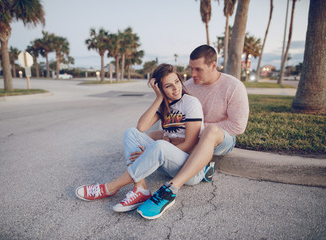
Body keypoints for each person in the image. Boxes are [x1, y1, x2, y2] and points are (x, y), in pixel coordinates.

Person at [75, 64, 206, 215]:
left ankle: (110, 187)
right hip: (169, 162)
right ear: (160, 88)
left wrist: (150, 152)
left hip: (191, 168)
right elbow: (141, 127)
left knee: (160, 146)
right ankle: (140, 189)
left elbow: (190, 144)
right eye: (168, 86)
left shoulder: (191, 103)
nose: (176, 88)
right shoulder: (164, 106)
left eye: (177, 82)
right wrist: (158, 98)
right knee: (131, 133)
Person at [136, 45, 249, 219]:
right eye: (191, 68)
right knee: (152, 136)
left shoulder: (233, 86)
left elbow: (238, 126)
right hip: (190, 135)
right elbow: (169, 118)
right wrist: (164, 139)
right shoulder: (186, 86)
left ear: (213, 66)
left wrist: (194, 127)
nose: (193, 74)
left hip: (220, 138)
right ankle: (201, 166)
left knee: (208, 132)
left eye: (198, 69)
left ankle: (171, 188)